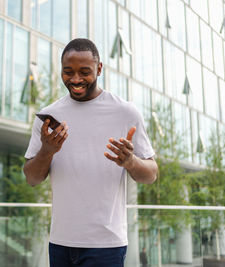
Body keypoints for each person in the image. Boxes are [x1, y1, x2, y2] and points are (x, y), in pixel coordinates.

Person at [23, 38, 158, 267]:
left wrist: (130, 161)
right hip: (60, 242)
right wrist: (47, 151)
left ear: (100, 68)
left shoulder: (125, 112)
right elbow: (32, 178)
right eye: (68, 72)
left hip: (107, 244)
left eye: (85, 71)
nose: (75, 79)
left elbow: (151, 174)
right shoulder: (48, 116)